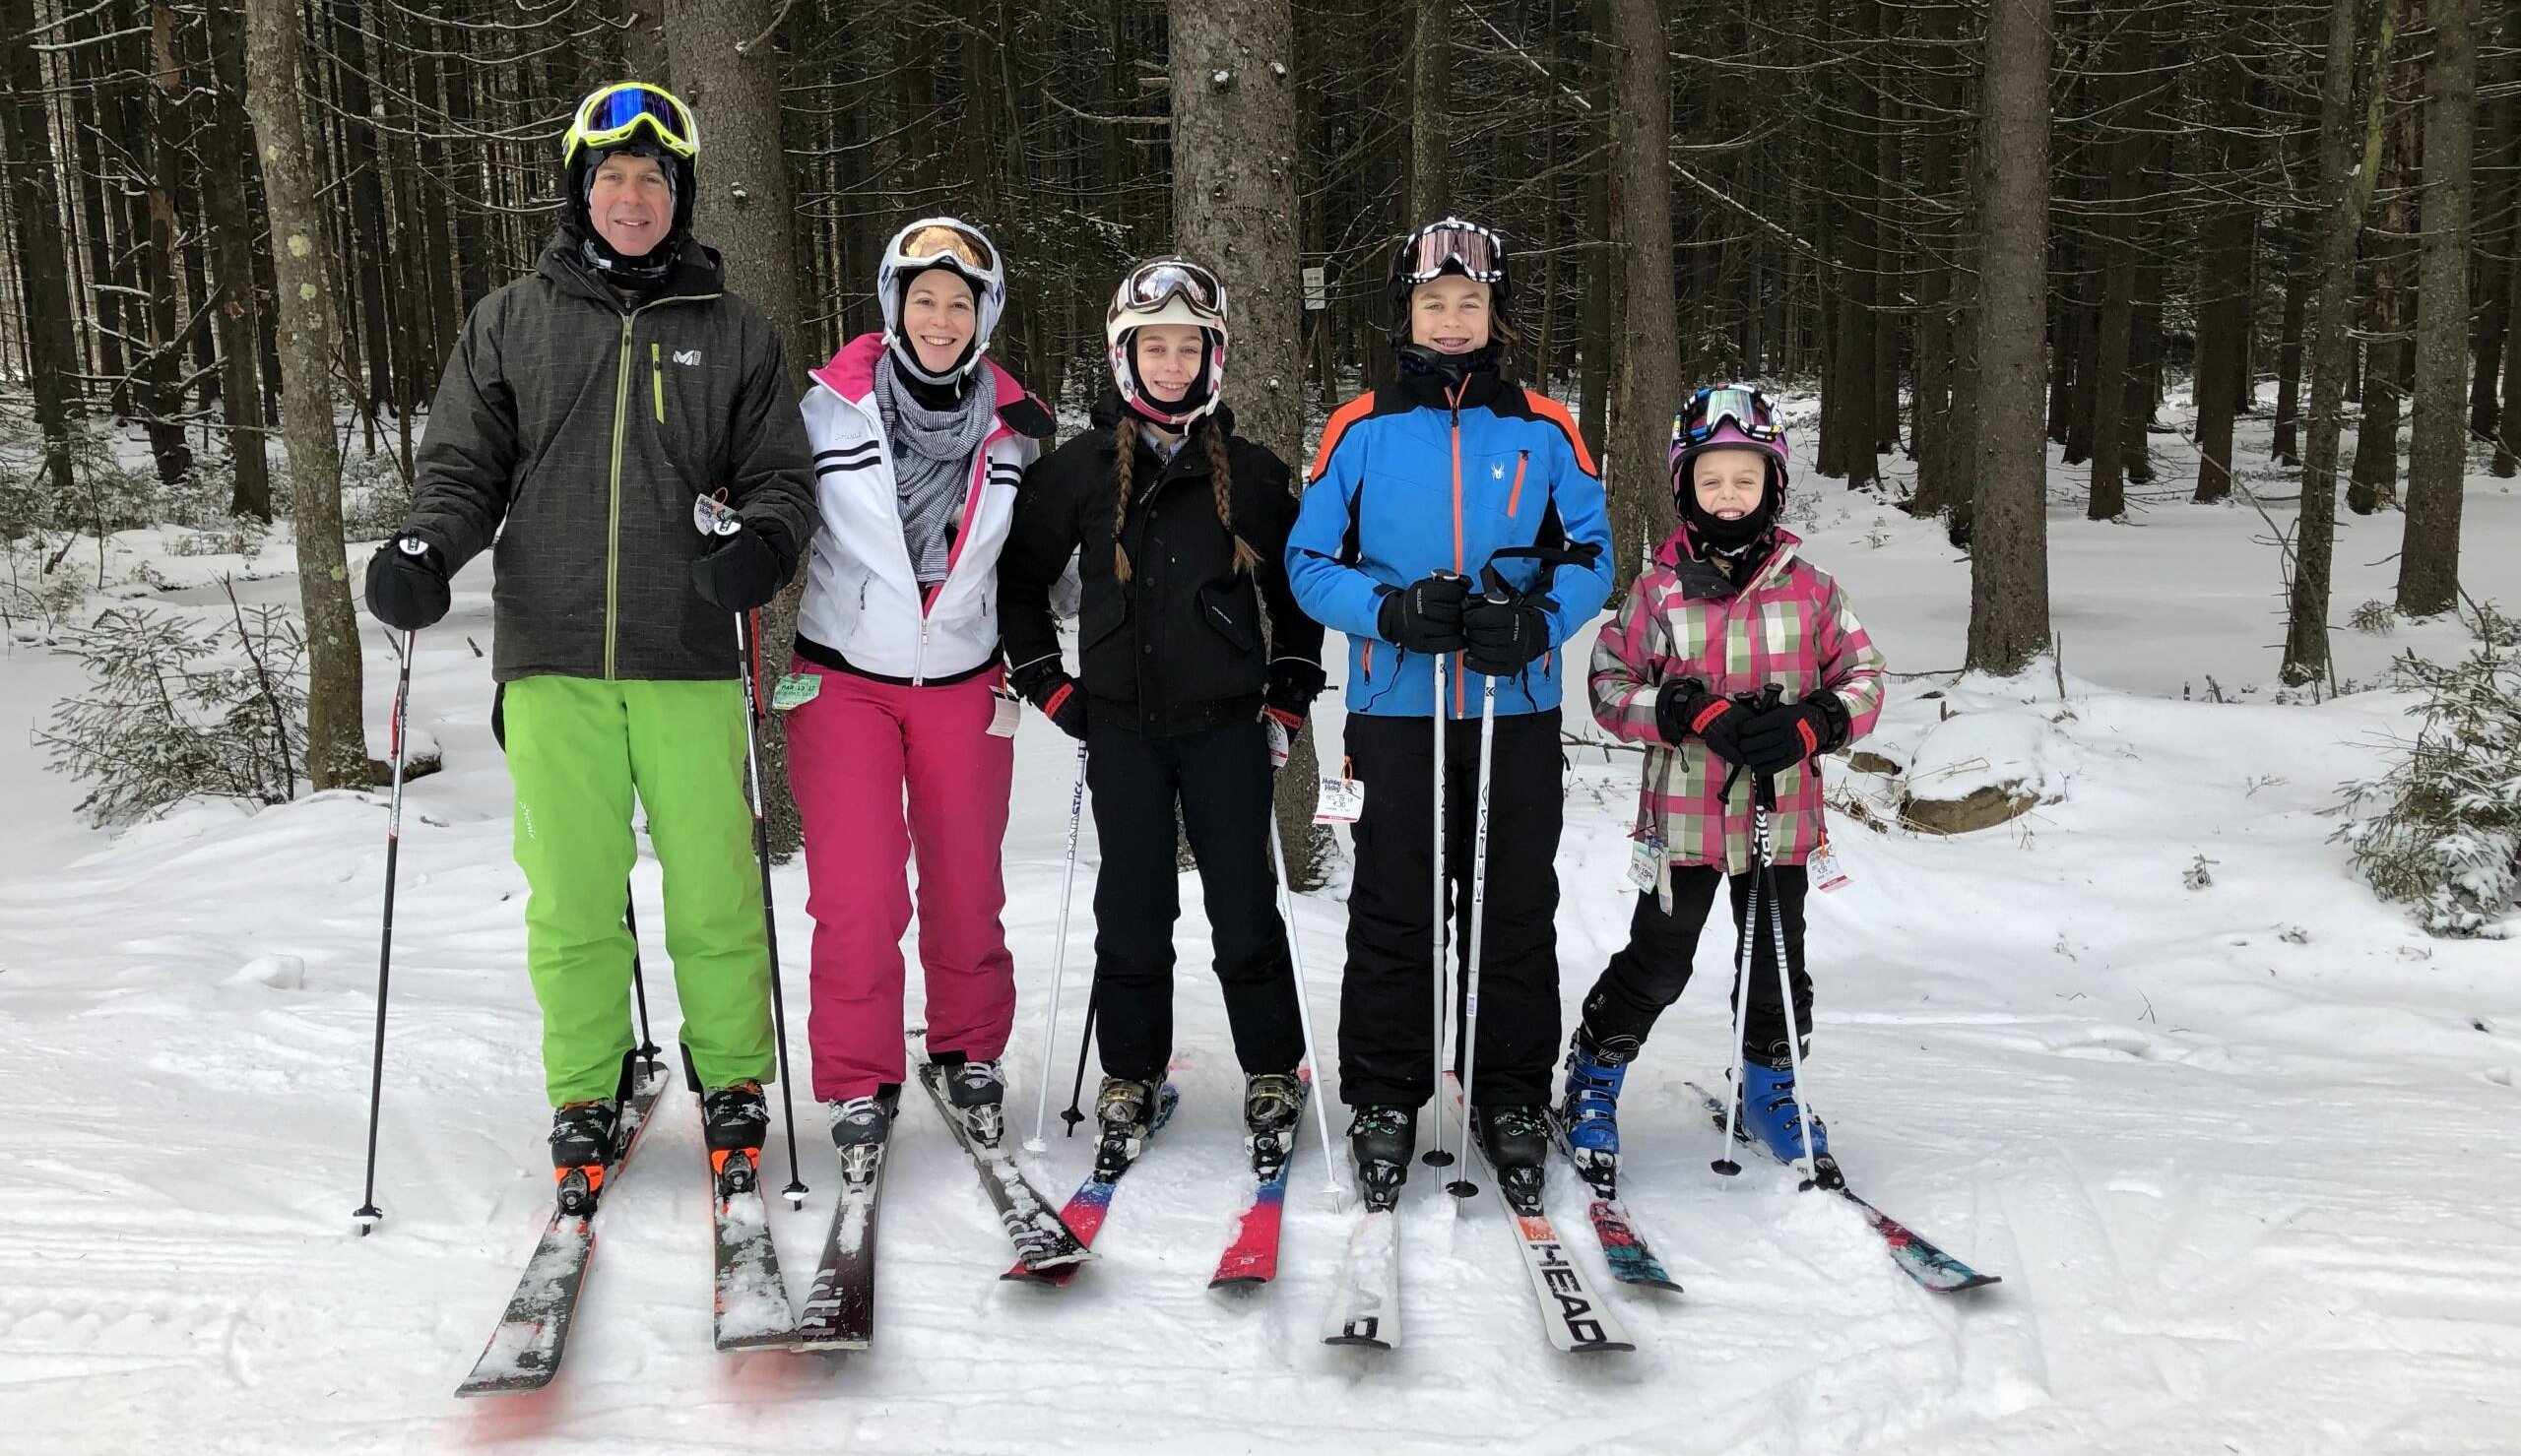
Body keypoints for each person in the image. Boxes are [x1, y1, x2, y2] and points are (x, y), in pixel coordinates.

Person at [361, 83, 815, 1209]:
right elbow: (463, 467)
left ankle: (733, 1081)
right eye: (611, 178)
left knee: (713, 886)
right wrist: (424, 547)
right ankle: (586, 1086)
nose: (630, 197)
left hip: (689, 653)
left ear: (680, 197)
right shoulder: (511, 320)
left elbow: (780, 479)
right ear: (580, 191)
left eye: (652, 180)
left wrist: (763, 544)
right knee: (572, 892)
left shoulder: (736, 329)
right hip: (552, 648)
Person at [1283, 218, 1614, 1203]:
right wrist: (1383, 608)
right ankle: (1385, 1094)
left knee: (1512, 904)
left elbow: (1592, 556)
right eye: (1435, 303)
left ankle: (1509, 1091)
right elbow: (1308, 564)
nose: (1454, 319)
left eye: (1470, 302)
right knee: (1394, 906)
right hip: (1396, 705)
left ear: (1495, 310)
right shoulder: (1359, 426)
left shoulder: (1546, 428)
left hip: (1513, 708)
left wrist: (1539, 621)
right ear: (1408, 313)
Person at [998, 258, 1327, 1174]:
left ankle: (1272, 1066)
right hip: (1123, 729)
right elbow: (1017, 585)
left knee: (1244, 906)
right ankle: (1131, 1073)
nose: (1172, 364)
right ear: (1123, 354)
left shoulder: (1254, 473)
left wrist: (1290, 688)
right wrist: (1050, 685)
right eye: (1155, 347)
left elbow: (1298, 597)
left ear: (1213, 358)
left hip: (1227, 726)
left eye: (1189, 347)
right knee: (1132, 909)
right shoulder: (1080, 470)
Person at [1562, 384, 1886, 1185]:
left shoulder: (1810, 589)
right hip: (1685, 822)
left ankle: (1771, 1085)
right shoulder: (1658, 590)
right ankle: (1595, 1072)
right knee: (1662, 957)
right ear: (1685, 487)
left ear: (1773, 485)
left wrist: (1816, 721)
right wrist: (1677, 708)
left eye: (1746, 479)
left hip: (1781, 818)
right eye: (1712, 480)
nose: (1729, 496)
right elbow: (1608, 685)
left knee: (1778, 957)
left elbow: (1866, 676)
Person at [783, 218, 1054, 1156]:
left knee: (966, 881)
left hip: (965, 677)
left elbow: (1043, 564)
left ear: (987, 314)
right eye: (923, 297)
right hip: (843, 679)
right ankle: (859, 1074)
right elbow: (775, 510)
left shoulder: (1021, 427)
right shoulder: (824, 408)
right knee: (858, 893)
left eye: (960, 301)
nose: (941, 318)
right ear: (893, 305)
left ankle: (968, 1046)